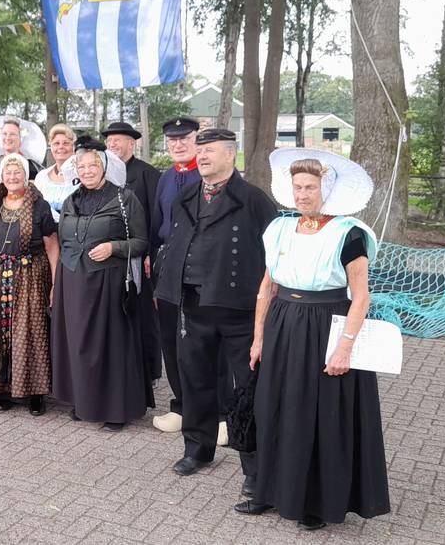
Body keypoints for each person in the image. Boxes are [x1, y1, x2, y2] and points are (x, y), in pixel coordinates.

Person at [236, 148, 390, 530]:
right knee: (275, 408)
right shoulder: (280, 228)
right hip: (284, 324)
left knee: (319, 414)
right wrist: (258, 338)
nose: (302, 194)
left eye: (310, 187)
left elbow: (362, 294)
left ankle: (317, 503)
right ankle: (269, 492)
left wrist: (345, 346)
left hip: (327, 325)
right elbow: (266, 287)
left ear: (328, 190)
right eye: (297, 187)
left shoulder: (349, 234)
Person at [154, 129, 276, 488]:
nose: (202, 155)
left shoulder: (254, 199)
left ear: (230, 155)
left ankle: (255, 467)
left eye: (210, 150)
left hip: (238, 308)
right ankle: (198, 447)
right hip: (192, 303)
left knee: (247, 387)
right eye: (200, 149)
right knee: (195, 379)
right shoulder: (188, 194)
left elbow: (274, 254)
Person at [51, 138, 150, 431]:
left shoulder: (124, 198)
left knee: (108, 346)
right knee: (78, 344)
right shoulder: (71, 200)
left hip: (107, 280)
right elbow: (64, 237)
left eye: (92, 165)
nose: (87, 170)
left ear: (103, 166)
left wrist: (114, 247)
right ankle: (84, 403)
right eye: (81, 166)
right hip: (72, 280)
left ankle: (114, 410)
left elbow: (141, 241)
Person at [0, 153, 59, 416]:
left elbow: (52, 245)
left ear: (25, 175)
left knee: (29, 333)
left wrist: (55, 282)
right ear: (2, 177)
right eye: (8, 173)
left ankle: (35, 394)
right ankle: (4, 389)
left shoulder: (38, 205)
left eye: (17, 172)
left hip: (29, 276)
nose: (13, 176)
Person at [148, 116, 203, 434]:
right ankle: (180, 405)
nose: (179, 145)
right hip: (167, 263)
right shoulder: (166, 178)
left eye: (185, 139)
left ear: (197, 139)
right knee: (169, 337)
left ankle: (217, 413)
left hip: (199, 264)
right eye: (173, 140)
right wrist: (150, 258)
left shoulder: (208, 173)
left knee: (202, 339)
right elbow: (158, 223)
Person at [101, 121, 163, 384]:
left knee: (143, 314)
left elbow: (157, 218)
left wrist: (150, 252)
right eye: (109, 141)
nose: (113, 145)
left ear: (132, 143)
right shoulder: (103, 174)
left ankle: (147, 370)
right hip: (109, 256)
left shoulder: (148, 174)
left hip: (140, 254)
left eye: (118, 140)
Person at [0, 116, 45, 191]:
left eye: (12, 134)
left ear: (20, 139)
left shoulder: (31, 166)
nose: (7, 137)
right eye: (5, 134)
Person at [32, 124, 79, 221]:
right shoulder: (41, 177)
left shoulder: (82, 175)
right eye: (56, 143)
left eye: (66, 143)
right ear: (51, 147)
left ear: (73, 146)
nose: (61, 147)